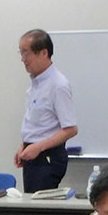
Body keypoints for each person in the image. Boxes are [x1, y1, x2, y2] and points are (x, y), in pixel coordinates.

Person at [14, 29, 78, 192]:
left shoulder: (58, 85)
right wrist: (24, 145)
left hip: (47, 157)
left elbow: (70, 129)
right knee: (30, 202)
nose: (23, 59)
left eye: (26, 53)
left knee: (37, 206)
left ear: (43, 53)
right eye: (21, 53)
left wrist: (38, 147)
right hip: (33, 154)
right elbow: (38, 124)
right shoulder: (36, 84)